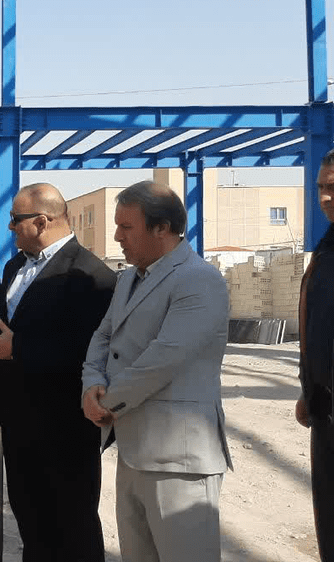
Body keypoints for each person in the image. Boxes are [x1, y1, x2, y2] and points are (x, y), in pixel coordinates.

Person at [81, 180, 231, 562]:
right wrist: (91, 384)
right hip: (133, 450)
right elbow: (103, 336)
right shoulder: (129, 279)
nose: (117, 236)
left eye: (126, 227)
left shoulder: (199, 279)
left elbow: (164, 358)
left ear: (162, 228)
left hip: (179, 462)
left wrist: (105, 402)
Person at [0, 183, 115, 562]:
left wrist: (19, 349)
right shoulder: (15, 267)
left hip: (65, 427)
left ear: (41, 222)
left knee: (72, 525)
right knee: (32, 522)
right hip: (19, 423)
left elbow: (93, 352)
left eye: (15, 220)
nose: (10, 228)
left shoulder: (92, 276)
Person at [296, 148, 334, 561]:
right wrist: (306, 388)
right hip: (325, 416)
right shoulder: (326, 252)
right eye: (321, 187)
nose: (324, 197)